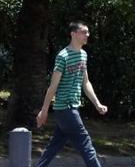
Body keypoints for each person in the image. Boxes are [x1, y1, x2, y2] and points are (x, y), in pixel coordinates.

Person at [35, 21, 108, 167]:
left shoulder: (83, 55)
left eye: (88, 32)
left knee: (53, 148)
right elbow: (53, 86)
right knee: (86, 145)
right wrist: (43, 111)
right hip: (66, 108)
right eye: (84, 32)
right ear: (73, 34)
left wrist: (97, 103)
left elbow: (85, 83)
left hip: (69, 109)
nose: (87, 35)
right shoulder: (63, 56)